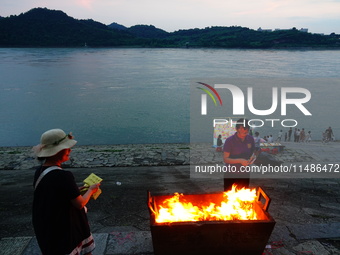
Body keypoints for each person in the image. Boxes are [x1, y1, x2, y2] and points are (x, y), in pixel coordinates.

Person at [32, 129, 101, 255]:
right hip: (65, 227)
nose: (70, 150)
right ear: (57, 152)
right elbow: (80, 203)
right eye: (67, 148)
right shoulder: (63, 176)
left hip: (48, 226)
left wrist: (75, 190)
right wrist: (91, 190)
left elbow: (54, 193)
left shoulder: (40, 171)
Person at [223, 118, 255, 191]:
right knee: (230, 196)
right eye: (243, 128)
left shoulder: (250, 139)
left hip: (245, 173)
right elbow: (225, 159)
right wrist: (240, 160)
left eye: (247, 128)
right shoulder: (230, 141)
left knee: (243, 196)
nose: (246, 130)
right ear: (237, 129)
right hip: (231, 173)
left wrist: (253, 157)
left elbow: (253, 151)